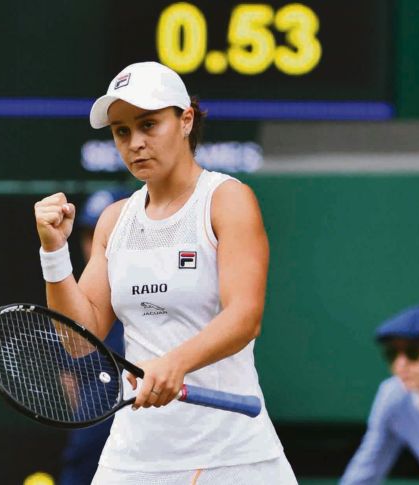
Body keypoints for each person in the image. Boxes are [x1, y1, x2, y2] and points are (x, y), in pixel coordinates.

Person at [34, 60, 297, 484]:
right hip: (133, 460)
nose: (134, 142)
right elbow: (78, 340)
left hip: (233, 457)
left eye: (148, 125)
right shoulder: (114, 221)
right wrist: (54, 252)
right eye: (122, 131)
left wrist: (173, 364)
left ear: (186, 120)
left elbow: (244, 317)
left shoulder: (227, 200)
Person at [340, 304, 419, 485]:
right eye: (392, 354)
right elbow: (366, 470)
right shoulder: (393, 397)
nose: (400, 365)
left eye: (413, 353)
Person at [58, 189, 127, 485]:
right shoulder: (72, 299)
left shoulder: (153, 293)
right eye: (90, 235)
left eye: (106, 233)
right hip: (89, 450)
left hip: (151, 443)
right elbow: (68, 377)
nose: (95, 244)